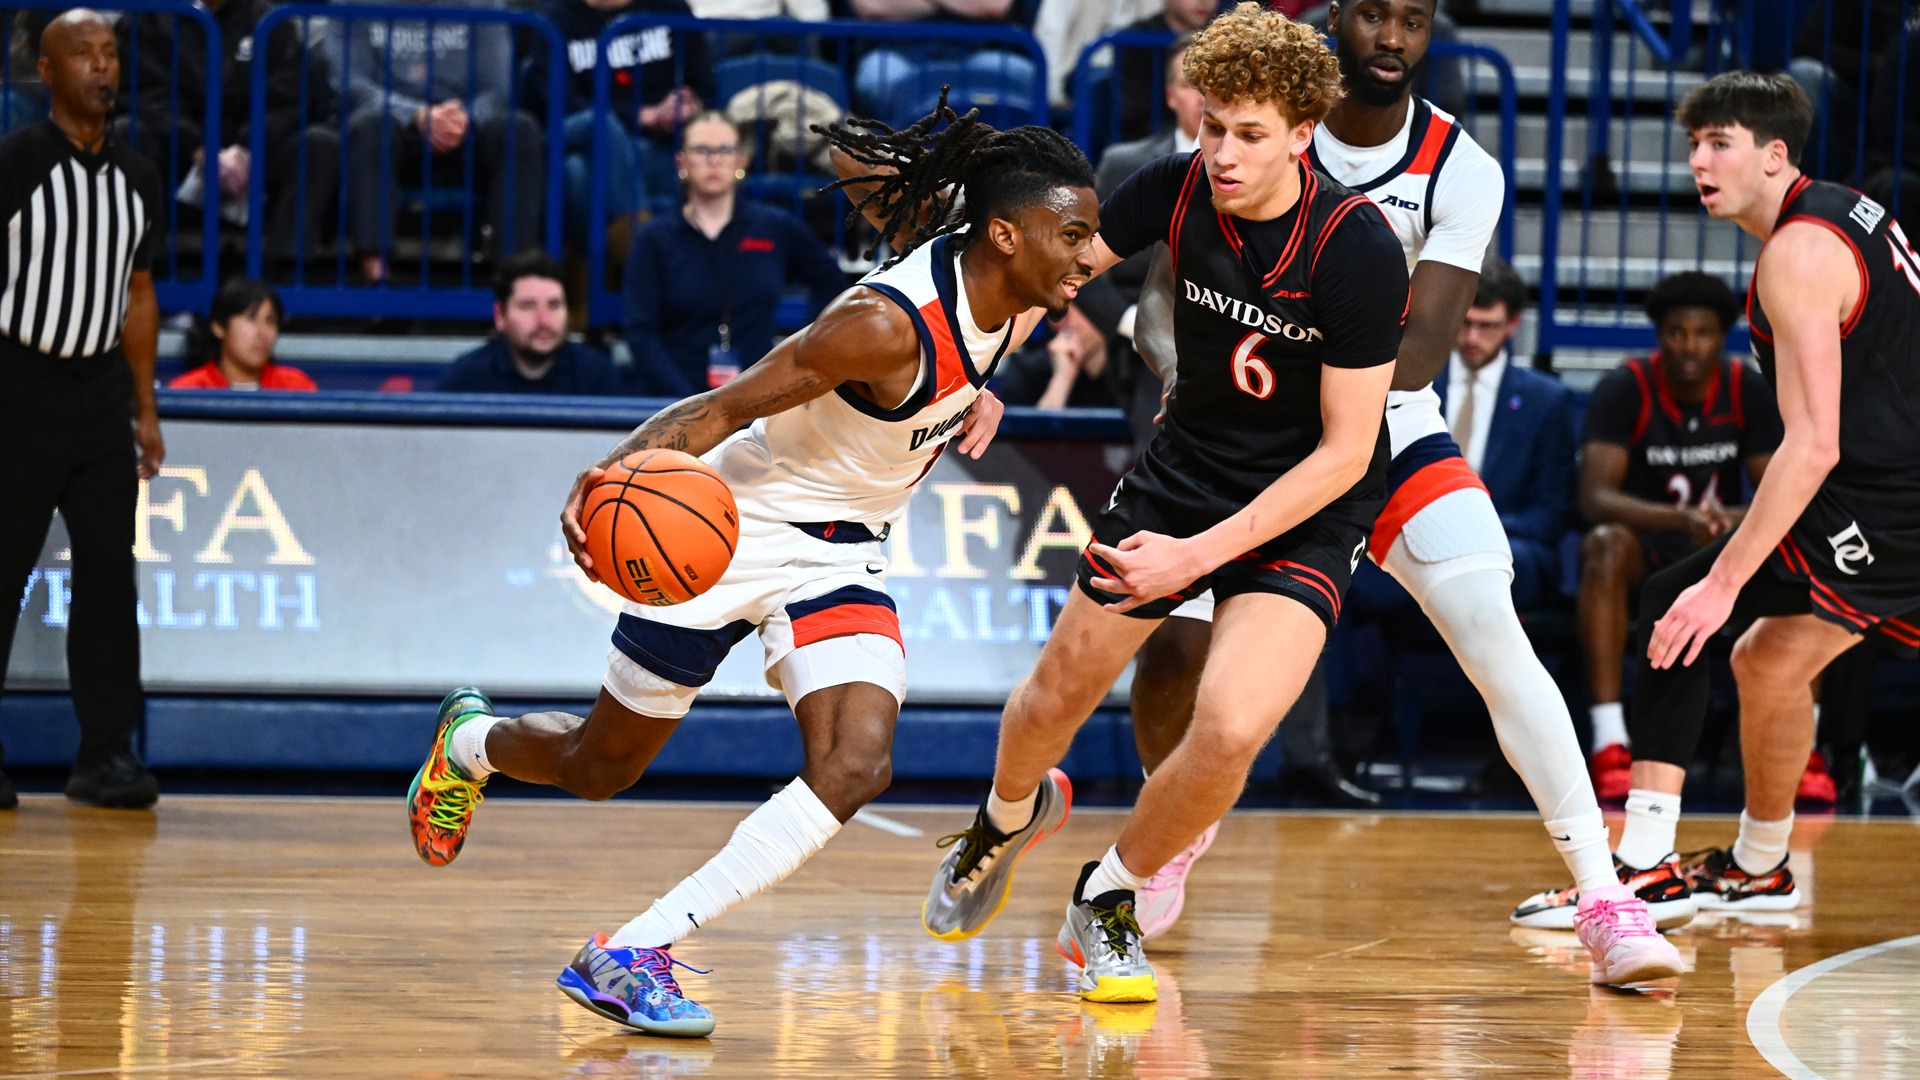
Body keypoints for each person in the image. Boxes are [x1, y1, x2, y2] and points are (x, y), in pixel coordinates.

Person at [403, 98, 1099, 1034]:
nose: (1093, 255)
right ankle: (470, 746)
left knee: (856, 764)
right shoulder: (881, 327)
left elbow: (955, 341)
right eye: (1076, 235)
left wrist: (978, 397)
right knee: (598, 766)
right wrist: (614, 474)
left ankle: (632, 948)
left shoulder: (1018, 293)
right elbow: (727, 407)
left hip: (844, 553)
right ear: (1007, 236)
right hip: (731, 532)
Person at [1122, 0, 1683, 986]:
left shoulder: (1460, 168)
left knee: (1490, 624)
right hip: (1236, 438)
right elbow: (1161, 290)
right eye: (1374, 16)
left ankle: (1606, 898)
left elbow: (1420, 356)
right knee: (1171, 653)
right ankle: (1166, 831)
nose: (1392, 38)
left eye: (1413, 21)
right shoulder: (1254, 136)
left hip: (1381, 433)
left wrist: (1290, 367)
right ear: (1337, 22)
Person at [922, 4, 1413, 1004]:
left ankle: (1109, 895)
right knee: (1054, 694)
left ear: (1304, 135)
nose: (1223, 154)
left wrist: (1195, 562)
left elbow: (1347, 450)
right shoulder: (1177, 188)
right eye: (1213, 127)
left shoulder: (1357, 247)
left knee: (1230, 729)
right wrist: (984, 364)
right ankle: (1007, 816)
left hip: (1308, 503)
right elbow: (1047, 274)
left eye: (1249, 135)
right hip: (1182, 473)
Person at [1537, 71, 1920, 936]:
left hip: (1886, 502)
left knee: (1680, 605)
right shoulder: (1839, 210)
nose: (1698, 163)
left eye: (1720, 145)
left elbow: (1813, 443)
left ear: (1774, 155)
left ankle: (1641, 865)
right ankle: (1759, 867)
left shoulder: (1798, 253)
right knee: (1768, 663)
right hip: (1888, 492)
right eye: (1692, 145)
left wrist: (1721, 584)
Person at [0, 9, 165, 811]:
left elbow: (138, 292)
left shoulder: (138, 174)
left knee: (108, 577)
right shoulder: (15, 162)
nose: (102, 67)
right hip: (16, 382)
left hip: (100, 394)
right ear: (47, 71)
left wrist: (145, 405)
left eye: (110, 53)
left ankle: (105, 757)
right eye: (83, 54)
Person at [1574, 271, 1779, 804]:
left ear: (1723, 337)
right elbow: (1596, 497)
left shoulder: (1745, 390)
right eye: (1677, 333)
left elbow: (1780, 489)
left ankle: (1796, 747)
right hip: (1651, 545)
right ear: (1659, 336)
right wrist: (1682, 519)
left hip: (1721, 549)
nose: (1690, 346)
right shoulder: (1627, 388)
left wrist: (1727, 520)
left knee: (1796, 549)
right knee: (1602, 545)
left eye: (1703, 333)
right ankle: (1609, 739)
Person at [622, 111, 847, 398]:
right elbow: (641, 334)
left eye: (724, 150)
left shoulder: (775, 227)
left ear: (740, 160)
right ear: (682, 162)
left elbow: (833, 285)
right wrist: (689, 406)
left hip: (758, 402)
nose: (714, 160)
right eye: (702, 150)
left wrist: (801, 353)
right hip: (672, 403)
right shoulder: (654, 238)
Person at [330, 0, 545, 283]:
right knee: (370, 125)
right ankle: (376, 275)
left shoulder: (484, 5)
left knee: (520, 128)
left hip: (464, 133)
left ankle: (516, 279)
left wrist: (463, 119)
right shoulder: (350, 4)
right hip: (392, 131)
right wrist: (416, 115)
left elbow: (497, 88)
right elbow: (349, 83)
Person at [119, 0, 338, 264]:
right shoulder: (148, 18)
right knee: (127, 133)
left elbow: (288, 94)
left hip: (253, 152)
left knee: (318, 143)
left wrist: (249, 146)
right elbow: (143, 93)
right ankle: (146, 276)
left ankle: (285, 278)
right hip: (177, 147)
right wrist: (198, 146)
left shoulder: (268, 20)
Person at [1435, 255, 1572, 614]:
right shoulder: (1415, 387)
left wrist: (1472, 530)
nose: (1471, 338)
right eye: (1464, 323)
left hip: (1503, 542)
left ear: (1513, 324)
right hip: (1418, 536)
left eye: (1487, 326)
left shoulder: (1546, 401)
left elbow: (1550, 514)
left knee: (1510, 569)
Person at [530, 0, 713, 256]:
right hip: (576, 132)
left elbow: (705, 87)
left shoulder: (671, 8)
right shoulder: (555, 19)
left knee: (578, 175)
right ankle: (645, 262)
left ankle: (594, 283)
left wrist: (687, 106)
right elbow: (563, 102)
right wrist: (641, 115)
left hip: (651, 145)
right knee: (602, 124)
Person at [438, 253, 622, 395]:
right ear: (500, 315)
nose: (543, 320)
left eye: (554, 305)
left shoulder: (598, 376)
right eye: (528, 306)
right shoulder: (467, 379)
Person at [169, 278, 316, 391]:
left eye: (270, 321)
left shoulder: (297, 387)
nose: (262, 332)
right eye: (251, 319)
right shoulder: (189, 389)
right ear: (219, 326)